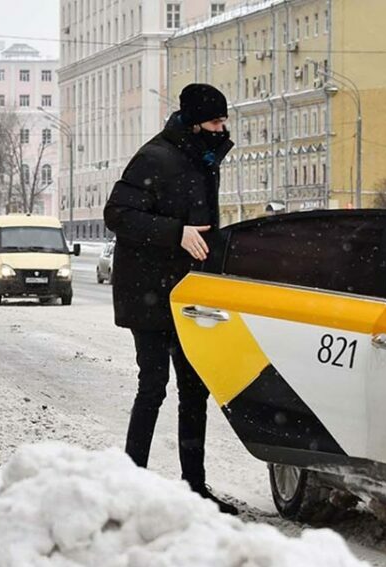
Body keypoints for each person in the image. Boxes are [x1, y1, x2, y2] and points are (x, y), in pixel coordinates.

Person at [102, 83, 236, 514]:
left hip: (188, 291)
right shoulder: (155, 157)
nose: (223, 128)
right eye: (216, 121)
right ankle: (130, 480)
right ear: (196, 122)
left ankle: (193, 487)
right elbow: (117, 214)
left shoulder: (202, 159)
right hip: (149, 293)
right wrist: (175, 233)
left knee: (195, 390)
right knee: (153, 386)